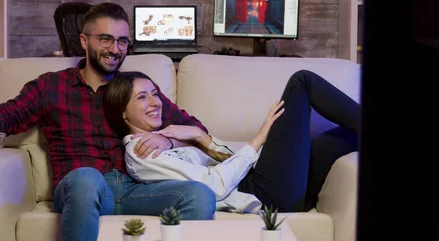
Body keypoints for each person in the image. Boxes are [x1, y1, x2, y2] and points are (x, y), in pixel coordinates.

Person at [0, 3, 217, 241]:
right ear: (84, 41)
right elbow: (7, 116)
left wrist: (168, 140)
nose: (115, 49)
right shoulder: (51, 86)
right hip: (79, 188)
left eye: (122, 41)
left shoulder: (135, 88)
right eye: (105, 39)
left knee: (201, 196)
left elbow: (196, 130)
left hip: (136, 189)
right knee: (87, 177)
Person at [103, 69, 360, 213]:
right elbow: (213, 187)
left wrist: (199, 137)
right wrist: (260, 137)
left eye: (155, 94)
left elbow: (227, 158)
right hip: (261, 194)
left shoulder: (165, 137)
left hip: (267, 183)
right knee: (302, 81)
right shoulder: (141, 151)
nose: (155, 102)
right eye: (142, 97)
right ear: (122, 111)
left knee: (348, 134)